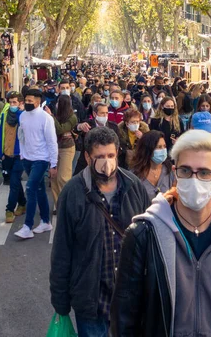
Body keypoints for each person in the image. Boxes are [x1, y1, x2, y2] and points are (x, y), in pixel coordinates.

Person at [110, 129, 211, 336]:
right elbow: (124, 320)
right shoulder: (142, 235)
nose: (195, 180)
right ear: (175, 172)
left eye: (205, 173)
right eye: (186, 171)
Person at [50, 126, 150, 337]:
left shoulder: (134, 187)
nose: (107, 163)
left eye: (111, 155)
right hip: (92, 302)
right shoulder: (73, 193)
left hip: (131, 301)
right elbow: (62, 249)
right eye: (100, 156)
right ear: (87, 157)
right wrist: (60, 301)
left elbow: (149, 240)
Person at [14, 89, 58, 239]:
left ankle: (27, 226)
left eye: (30, 101)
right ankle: (46, 221)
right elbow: (22, 136)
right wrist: (22, 154)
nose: (27, 103)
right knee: (39, 190)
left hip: (41, 159)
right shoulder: (23, 116)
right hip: (27, 158)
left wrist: (53, 164)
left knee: (30, 188)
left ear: (38, 101)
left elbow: (52, 142)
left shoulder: (46, 118)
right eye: (25, 100)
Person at [0, 92, 26, 222]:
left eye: (15, 102)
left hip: (20, 155)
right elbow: (1, 133)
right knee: (16, 182)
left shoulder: (23, 117)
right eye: (10, 102)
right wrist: (0, 152)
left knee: (14, 182)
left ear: (20, 103)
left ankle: (9, 209)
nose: (12, 105)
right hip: (7, 153)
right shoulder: (4, 115)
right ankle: (23, 203)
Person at [49, 94, 78, 208]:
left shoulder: (72, 117)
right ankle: (59, 205)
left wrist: (51, 116)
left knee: (63, 178)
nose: (56, 104)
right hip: (55, 148)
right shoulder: (57, 115)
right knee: (54, 178)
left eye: (58, 102)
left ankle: (68, 204)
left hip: (67, 148)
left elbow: (61, 129)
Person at [130, 129, 175, 202]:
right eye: (159, 147)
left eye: (164, 146)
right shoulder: (134, 175)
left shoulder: (169, 170)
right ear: (148, 149)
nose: (163, 150)